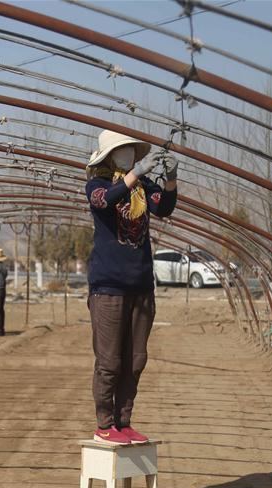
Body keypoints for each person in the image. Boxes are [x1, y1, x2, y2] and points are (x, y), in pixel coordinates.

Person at [85, 130, 178, 445]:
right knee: (110, 360)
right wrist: (136, 172)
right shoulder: (98, 185)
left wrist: (171, 179)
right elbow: (104, 202)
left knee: (136, 359)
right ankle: (104, 423)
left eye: (131, 151)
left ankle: (124, 421)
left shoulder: (143, 188)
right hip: (108, 286)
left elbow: (163, 207)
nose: (128, 155)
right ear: (110, 155)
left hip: (140, 286)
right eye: (123, 150)